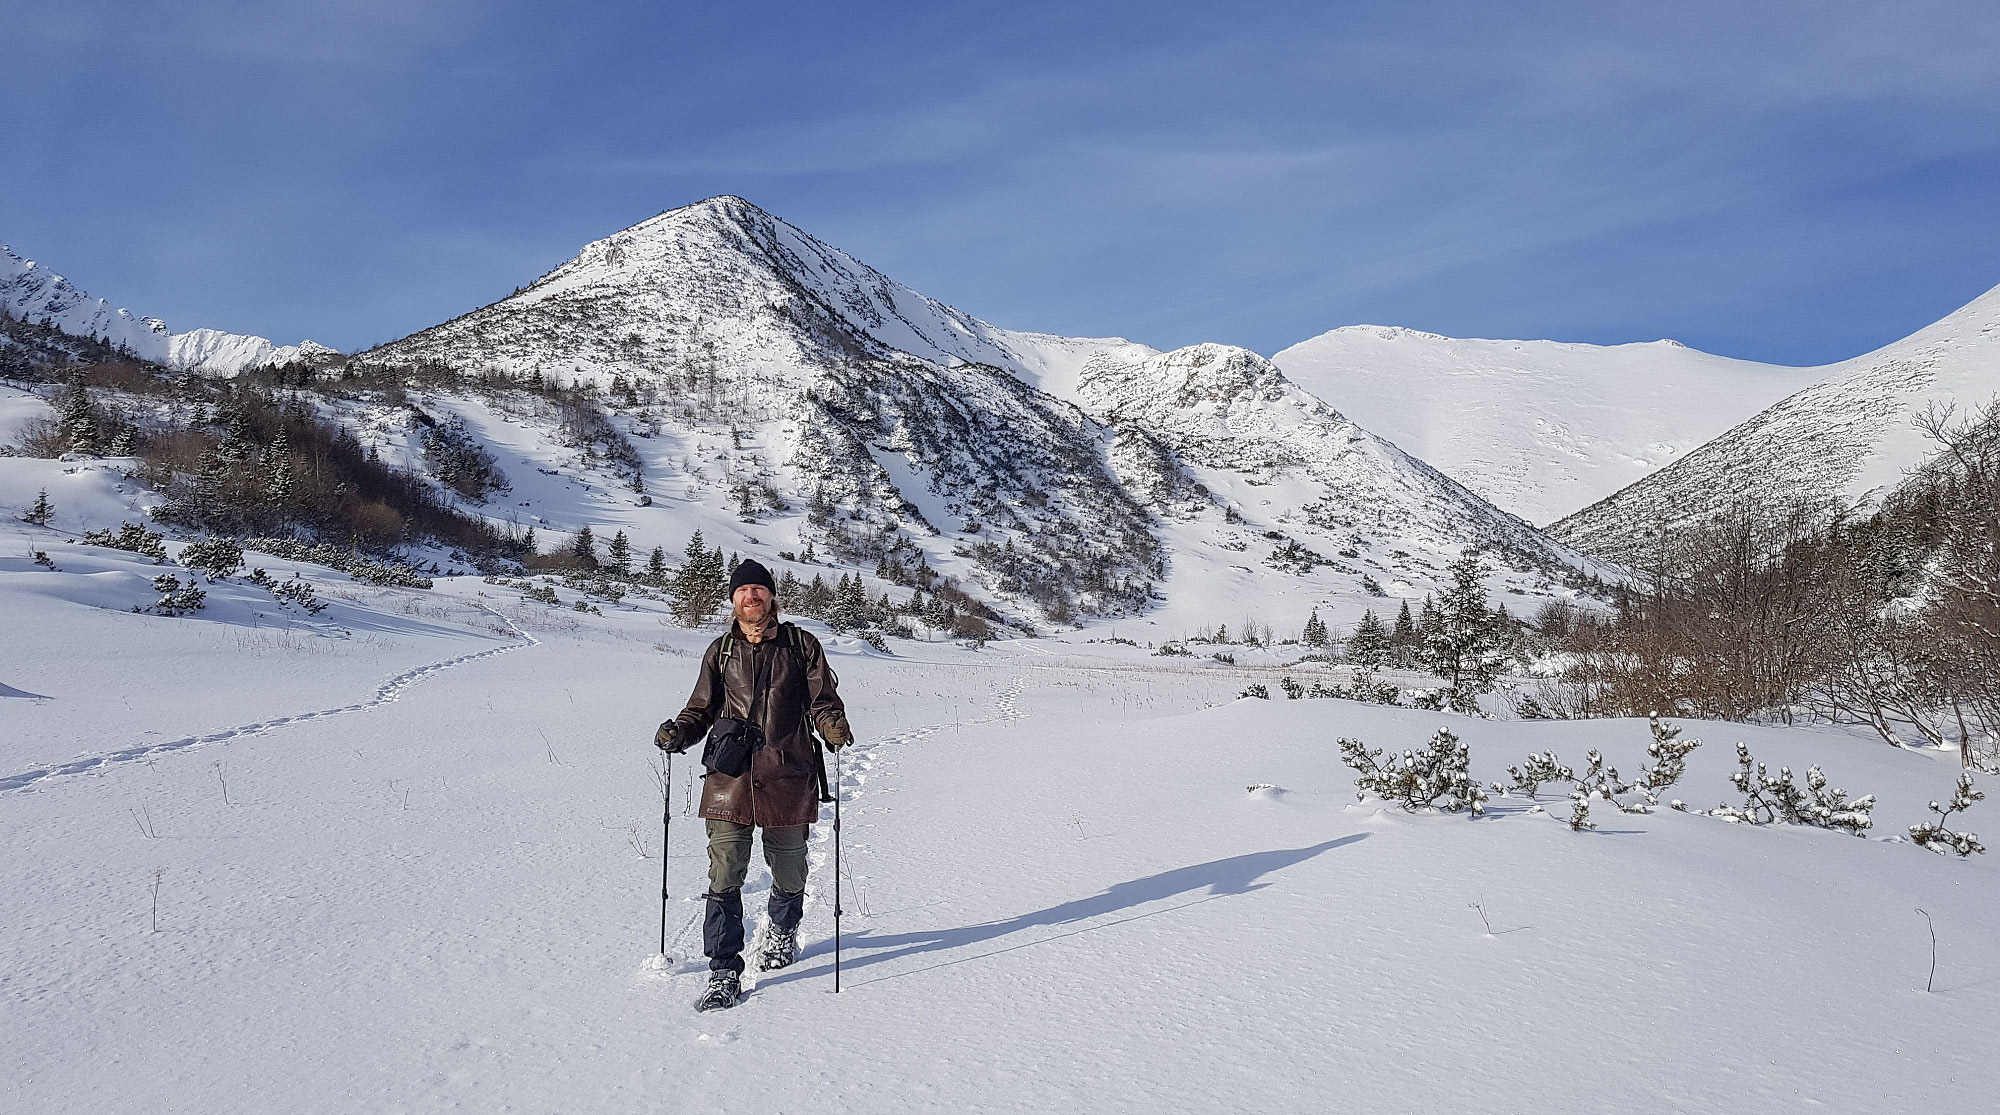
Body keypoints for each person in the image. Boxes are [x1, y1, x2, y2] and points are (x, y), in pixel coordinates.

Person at [655, 558, 854, 1012]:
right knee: (725, 873)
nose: (751, 597)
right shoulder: (720, 651)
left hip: (788, 775)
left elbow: (823, 700)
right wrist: (679, 733)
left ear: (772, 597)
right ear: (732, 600)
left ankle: (782, 933)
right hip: (730, 780)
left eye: (759, 590)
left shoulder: (801, 646)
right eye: (743, 591)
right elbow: (701, 709)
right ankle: (724, 969)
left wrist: (833, 726)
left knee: (789, 870)